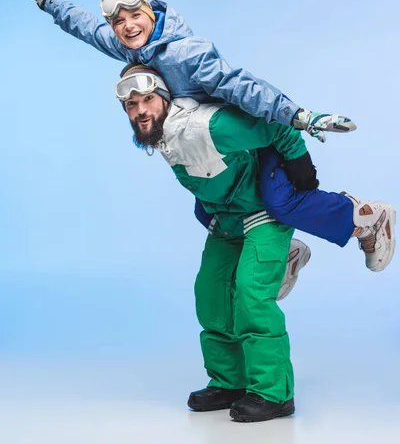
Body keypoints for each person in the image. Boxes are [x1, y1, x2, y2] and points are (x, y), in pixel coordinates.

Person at [113, 64, 396, 423]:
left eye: (148, 99)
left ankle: (273, 393)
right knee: (211, 294)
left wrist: (301, 166)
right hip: (227, 219)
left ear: (166, 97)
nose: (139, 111)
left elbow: (275, 123)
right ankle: (230, 381)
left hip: (263, 212)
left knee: (251, 295)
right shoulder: (160, 134)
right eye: (131, 105)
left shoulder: (207, 126)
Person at [17, 0, 356, 146]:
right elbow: (84, 25)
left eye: (136, 16)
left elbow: (237, 85)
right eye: (119, 22)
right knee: (208, 210)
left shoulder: (186, 53)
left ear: (150, 15)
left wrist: (298, 114)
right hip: (200, 143)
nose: (128, 26)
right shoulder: (124, 45)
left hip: (235, 126)